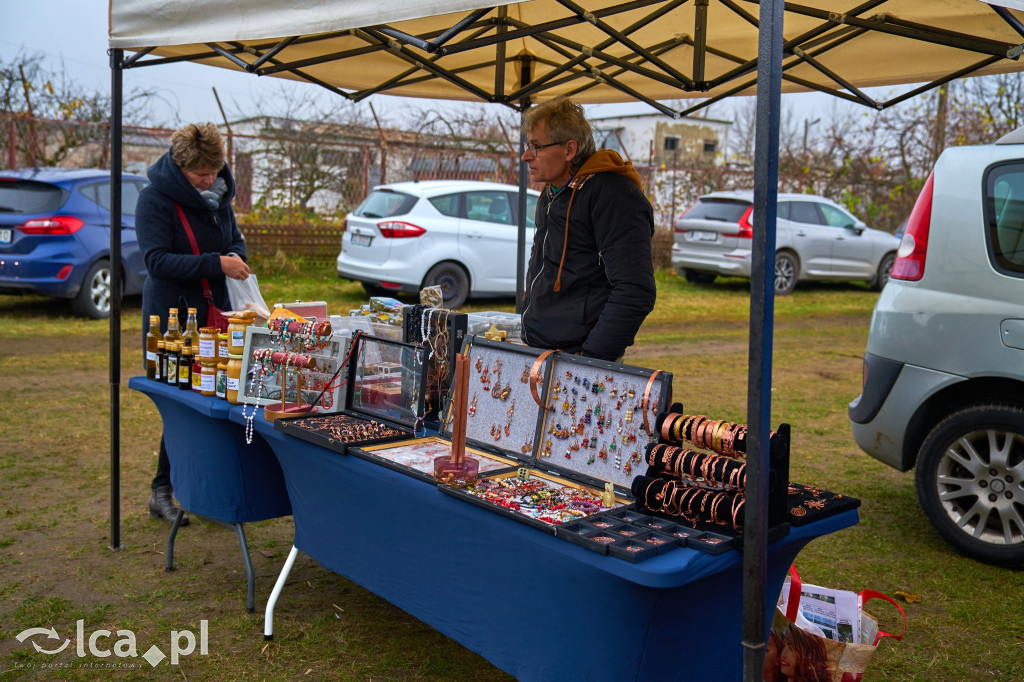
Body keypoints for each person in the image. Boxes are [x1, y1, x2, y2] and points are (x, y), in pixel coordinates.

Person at [136, 122, 250, 525]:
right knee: (180, 407)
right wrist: (217, 263)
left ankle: (207, 493)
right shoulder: (154, 199)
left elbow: (235, 240)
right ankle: (162, 490)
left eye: (214, 171)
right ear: (180, 167)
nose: (209, 179)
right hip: (173, 324)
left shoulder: (219, 196)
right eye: (201, 174)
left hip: (216, 316)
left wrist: (234, 256)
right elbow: (157, 261)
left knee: (214, 402)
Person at [520, 97, 656, 361]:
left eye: (536, 147)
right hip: (541, 352)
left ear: (569, 149)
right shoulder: (552, 193)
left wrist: (591, 358)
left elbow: (635, 289)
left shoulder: (613, 196)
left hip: (578, 359)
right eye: (528, 146)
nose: (526, 156)